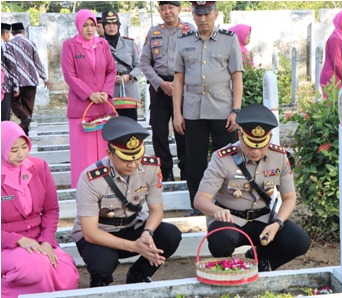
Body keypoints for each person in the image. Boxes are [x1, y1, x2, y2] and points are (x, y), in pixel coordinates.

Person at [194, 104, 311, 272]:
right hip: (230, 221)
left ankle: (262, 260)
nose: (256, 151)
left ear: (269, 137)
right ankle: (230, 269)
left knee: (299, 241)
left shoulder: (279, 156)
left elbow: (289, 197)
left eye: (261, 145)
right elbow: (200, 199)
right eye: (250, 145)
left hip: (263, 220)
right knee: (221, 240)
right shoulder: (222, 158)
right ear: (240, 135)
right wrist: (215, 211)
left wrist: (277, 223)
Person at [71, 116, 182, 287]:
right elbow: (90, 233)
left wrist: (148, 233)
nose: (132, 164)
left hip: (132, 226)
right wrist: (135, 247)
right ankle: (101, 280)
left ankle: (139, 274)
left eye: (136, 157)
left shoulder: (150, 168)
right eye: (125, 158)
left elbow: (157, 210)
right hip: (100, 233)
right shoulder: (91, 178)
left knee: (170, 234)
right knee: (103, 263)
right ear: (109, 153)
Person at [173, 1, 244, 216]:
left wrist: (236, 110)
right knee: (194, 160)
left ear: (215, 14)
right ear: (193, 15)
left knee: (228, 159)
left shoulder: (229, 40)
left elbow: (237, 77)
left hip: (222, 109)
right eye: (198, 15)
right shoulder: (183, 42)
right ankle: (198, 205)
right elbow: (178, 79)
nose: (203, 19)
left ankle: (229, 202)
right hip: (193, 110)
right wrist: (177, 113)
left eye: (207, 14)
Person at [1, 121, 79, 297]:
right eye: (14, 150)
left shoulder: (38, 166)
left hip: (38, 239)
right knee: (37, 268)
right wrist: (18, 240)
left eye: (24, 146)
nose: (21, 154)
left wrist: (47, 240)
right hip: (5, 245)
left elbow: (51, 210)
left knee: (66, 274)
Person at [61, 9, 116, 188]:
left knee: (104, 151)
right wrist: (89, 94)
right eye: (85, 25)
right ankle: (83, 190)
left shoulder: (103, 44)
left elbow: (111, 70)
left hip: (103, 106)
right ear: (78, 26)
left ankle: (107, 188)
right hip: (81, 107)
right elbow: (70, 75)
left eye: (92, 25)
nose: (90, 29)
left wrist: (106, 93)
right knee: (83, 153)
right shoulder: (70, 46)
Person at [141, 1, 192, 182]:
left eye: (171, 7)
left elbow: (195, 61)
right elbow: (144, 63)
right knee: (159, 132)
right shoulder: (154, 32)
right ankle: (166, 171)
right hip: (159, 88)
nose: (167, 12)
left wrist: (180, 85)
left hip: (184, 88)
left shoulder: (189, 30)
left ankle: (186, 170)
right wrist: (160, 83)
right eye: (163, 8)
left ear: (178, 9)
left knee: (183, 130)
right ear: (159, 11)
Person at [8, 22, 52, 134]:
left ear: (12, 33)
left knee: (13, 102)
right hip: (31, 81)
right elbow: (38, 62)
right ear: (24, 31)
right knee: (28, 107)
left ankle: (23, 121)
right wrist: (45, 78)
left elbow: (9, 64)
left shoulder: (9, 44)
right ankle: (25, 131)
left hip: (16, 81)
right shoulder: (31, 43)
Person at [103, 10, 141, 121]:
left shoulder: (129, 43)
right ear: (103, 26)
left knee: (130, 126)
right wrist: (110, 78)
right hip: (108, 92)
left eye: (114, 23)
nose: (111, 27)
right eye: (108, 24)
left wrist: (128, 76)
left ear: (118, 26)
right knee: (111, 126)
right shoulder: (98, 44)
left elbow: (139, 65)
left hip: (128, 90)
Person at [319, 10, 342, 98]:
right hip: (332, 78)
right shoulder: (335, 39)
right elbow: (337, 63)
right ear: (340, 21)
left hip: (338, 77)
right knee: (335, 108)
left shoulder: (341, 36)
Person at [1, 22, 18, 121]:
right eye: (8, 34)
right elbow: (12, 66)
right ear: (4, 34)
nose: (9, 36)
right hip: (4, 86)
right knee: (4, 115)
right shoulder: (6, 47)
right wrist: (16, 86)